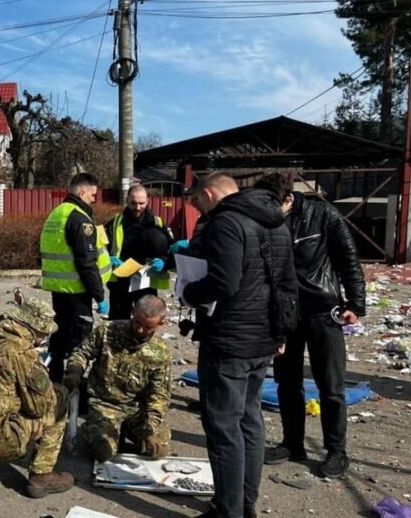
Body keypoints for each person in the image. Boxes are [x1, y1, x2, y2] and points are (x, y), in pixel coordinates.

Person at [181, 173, 297, 518]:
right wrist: (281, 335)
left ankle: (228, 510)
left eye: (198, 201)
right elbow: (288, 283)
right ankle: (245, 504)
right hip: (262, 340)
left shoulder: (225, 222)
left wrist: (189, 292)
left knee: (223, 429)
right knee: (250, 420)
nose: (198, 209)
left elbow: (224, 281)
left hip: (230, 340)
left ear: (208, 193)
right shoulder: (277, 221)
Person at [255, 173, 365, 479]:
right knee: (287, 383)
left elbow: (349, 259)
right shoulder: (267, 221)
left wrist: (355, 304)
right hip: (285, 314)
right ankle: (292, 443)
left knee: (331, 385)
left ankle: (336, 450)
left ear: (288, 199)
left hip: (322, 310)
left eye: (272, 204)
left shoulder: (322, 214)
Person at [0, 297, 74, 499]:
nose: (46, 335)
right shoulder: (21, 353)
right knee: (59, 399)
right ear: (36, 328)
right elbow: (39, 407)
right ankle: (41, 476)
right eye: (45, 331)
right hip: (0, 439)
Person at [63, 295, 172, 462]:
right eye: (138, 323)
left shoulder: (160, 352)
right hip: (104, 404)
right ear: (133, 312)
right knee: (104, 453)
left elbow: (159, 394)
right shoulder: (107, 331)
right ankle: (94, 429)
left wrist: (149, 428)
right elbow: (81, 353)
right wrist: (74, 371)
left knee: (159, 449)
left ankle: (126, 431)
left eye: (148, 327)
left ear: (160, 323)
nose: (141, 330)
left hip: (136, 408)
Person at [39, 172, 111, 382]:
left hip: (58, 289)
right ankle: (74, 393)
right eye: (92, 194)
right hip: (77, 292)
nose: (94, 199)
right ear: (81, 192)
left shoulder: (57, 214)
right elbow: (86, 263)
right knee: (78, 345)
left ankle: (51, 381)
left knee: (58, 340)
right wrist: (100, 296)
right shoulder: (79, 218)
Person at [105, 184, 174, 320]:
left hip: (147, 282)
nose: (137, 207)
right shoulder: (115, 223)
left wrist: (164, 262)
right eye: (133, 203)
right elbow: (100, 248)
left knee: (146, 321)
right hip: (121, 282)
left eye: (141, 203)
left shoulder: (157, 223)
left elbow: (170, 250)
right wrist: (109, 258)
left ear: (147, 201)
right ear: (127, 201)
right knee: (117, 322)